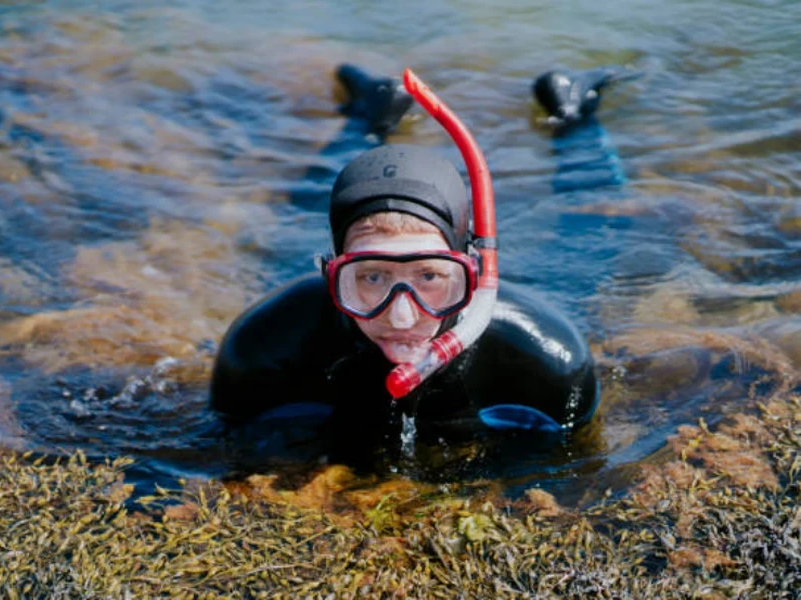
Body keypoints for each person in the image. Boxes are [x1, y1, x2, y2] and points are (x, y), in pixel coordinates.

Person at [209, 67, 600, 466]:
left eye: (429, 276)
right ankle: (372, 115)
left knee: (595, 225)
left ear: (473, 274)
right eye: (372, 276)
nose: (400, 316)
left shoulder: (549, 364)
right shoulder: (261, 350)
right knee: (284, 228)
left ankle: (576, 117)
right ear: (332, 276)